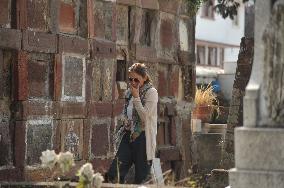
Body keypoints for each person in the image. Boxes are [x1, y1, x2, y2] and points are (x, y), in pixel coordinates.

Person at [106, 63, 158, 184]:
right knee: (114, 173)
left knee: (142, 178)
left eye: (136, 79)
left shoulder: (151, 92)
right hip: (128, 135)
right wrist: (126, 121)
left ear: (144, 78)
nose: (133, 82)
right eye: (130, 79)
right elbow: (127, 113)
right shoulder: (130, 92)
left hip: (144, 138)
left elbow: (145, 117)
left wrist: (136, 97)